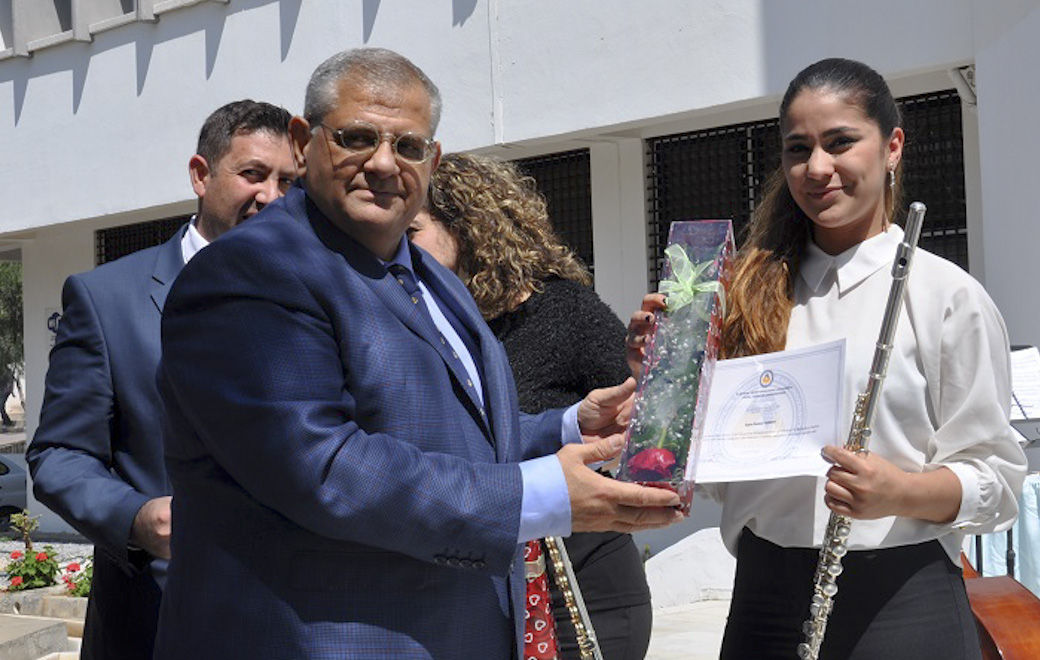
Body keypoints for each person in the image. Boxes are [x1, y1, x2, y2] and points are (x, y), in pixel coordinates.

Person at [153, 48, 681, 659]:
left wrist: (569, 426)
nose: (383, 162)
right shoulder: (248, 273)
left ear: (432, 160)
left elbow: (446, 435)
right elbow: (326, 467)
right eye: (356, 137)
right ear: (302, 143)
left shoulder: (432, 279)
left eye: (407, 146)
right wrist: (539, 495)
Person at [628, 58, 1027, 659]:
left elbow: (997, 481)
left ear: (892, 147)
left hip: (902, 605)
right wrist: (664, 387)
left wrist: (900, 492)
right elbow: (715, 479)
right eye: (799, 149)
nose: (817, 168)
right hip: (763, 604)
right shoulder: (739, 294)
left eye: (840, 142)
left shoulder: (947, 296)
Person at [25, 100, 297, 660]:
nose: (271, 196)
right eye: (253, 174)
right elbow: (59, 454)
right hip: (156, 623)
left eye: (288, 181)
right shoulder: (106, 299)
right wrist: (136, 518)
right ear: (201, 175)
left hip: (295, 622)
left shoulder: (321, 294)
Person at [410, 152, 653, 659]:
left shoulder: (564, 310)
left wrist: (645, 376)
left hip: (584, 588)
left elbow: (638, 423)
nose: (397, 247)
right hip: (479, 593)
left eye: (412, 231)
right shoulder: (423, 327)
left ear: (468, 230)